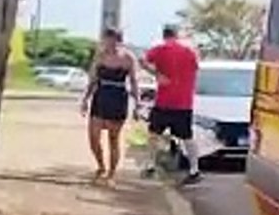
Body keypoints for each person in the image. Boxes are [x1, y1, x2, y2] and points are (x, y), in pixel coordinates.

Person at [139, 24, 202, 184]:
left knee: (154, 134)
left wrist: (156, 74)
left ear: (164, 35)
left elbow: (142, 60)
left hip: (164, 101)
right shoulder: (190, 50)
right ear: (177, 34)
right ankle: (194, 169)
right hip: (184, 103)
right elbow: (196, 67)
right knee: (187, 137)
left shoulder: (160, 49)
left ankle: (150, 165)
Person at [80, 27, 140, 187]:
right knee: (93, 138)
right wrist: (85, 99)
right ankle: (101, 166)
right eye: (106, 39)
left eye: (112, 39)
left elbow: (134, 81)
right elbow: (92, 80)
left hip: (118, 97)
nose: (108, 42)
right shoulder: (100, 56)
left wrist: (138, 104)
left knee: (113, 139)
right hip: (101, 96)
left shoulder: (128, 57)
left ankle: (111, 173)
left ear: (118, 40)